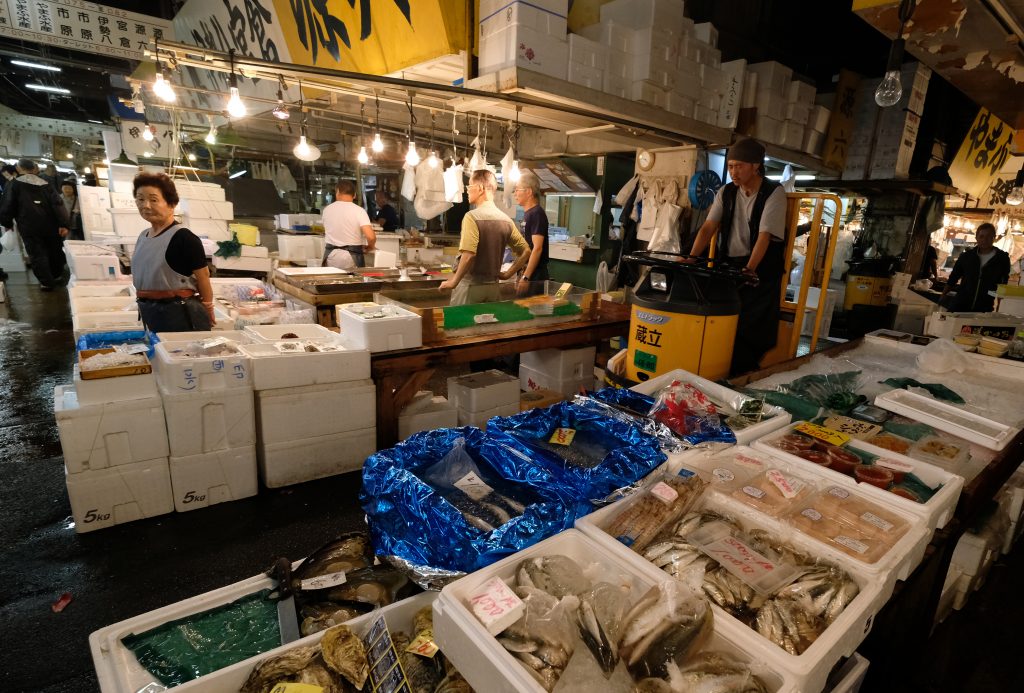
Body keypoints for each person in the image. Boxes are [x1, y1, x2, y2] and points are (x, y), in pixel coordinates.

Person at [686, 138, 788, 376]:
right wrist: (691, 258)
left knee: (750, 327)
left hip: (759, 270)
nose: (733, 171)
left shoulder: (774, 192)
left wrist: (750, 269)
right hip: (729, 266)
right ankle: (719, 370)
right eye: (730, 166)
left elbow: (764, 236)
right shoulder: (727, 191)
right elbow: (708, 227)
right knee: (722, 321)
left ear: (755, 166)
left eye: (739, 166)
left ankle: (741, 376)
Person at [130, 172, 215, 332]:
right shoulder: (143, 236)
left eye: (153, 200)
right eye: (140, 199)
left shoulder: (185, 238)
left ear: (172, 204)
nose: (145, 205)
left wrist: (208, 308)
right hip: (150, 312)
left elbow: (203, 277)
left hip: (180, 316)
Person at [440, 169, 530, 305]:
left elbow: (469, 255)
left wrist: (454, 281)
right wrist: (507, 274)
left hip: (470, 287)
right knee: (487, 326)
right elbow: (526, 251)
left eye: (469, 186)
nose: (467, 191)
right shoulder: (506, 220)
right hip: (492, 288)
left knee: (462, 326)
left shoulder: (472, 217)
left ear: (480, 188)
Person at [0, 158, 70, 290]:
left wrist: (7, 223)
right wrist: (64, 224)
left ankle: (46, 283)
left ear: (19, 169)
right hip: (51, 225)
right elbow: (58, 204)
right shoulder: (45, 183)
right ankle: (56, 276)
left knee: (37, 254)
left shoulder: (13, 184)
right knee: (54, 250)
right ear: (34, 169)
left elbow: (7, 205)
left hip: (28, 225)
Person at [940, 223, 1010, 312]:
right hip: (960, 305)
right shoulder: (966, 256)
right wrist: (943, 295)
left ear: (994, 237)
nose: (984, 240)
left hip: (984, 306)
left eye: (988, 236)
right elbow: (953, 277)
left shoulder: (1002, 258)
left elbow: (1003, 283)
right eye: (981, 236)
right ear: (976, 238)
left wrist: (1000, 306)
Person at [322, 180, 375, 267]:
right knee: (353, 280)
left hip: (331, 255)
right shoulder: (359, 211)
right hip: (352, 258)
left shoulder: (327, 210)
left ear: (337, 192)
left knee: (332, 279)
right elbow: (371, 237)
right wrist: (370, 247)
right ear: (354, 195)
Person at [512, 171, 550, 295]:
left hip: (535, 274)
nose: (515, 193)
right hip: (528, 271)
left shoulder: (537, 214)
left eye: (517, 189)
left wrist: (526, 277)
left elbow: (537, 248)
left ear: (528, 192)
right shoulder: (528, 214)